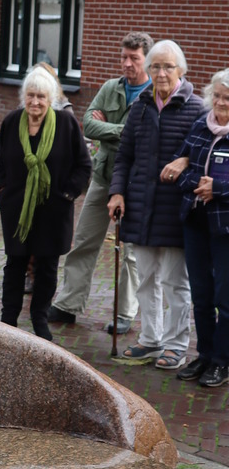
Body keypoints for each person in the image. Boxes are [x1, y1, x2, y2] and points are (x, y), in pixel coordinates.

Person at [108, 39, 204, 369]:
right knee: (146, 276)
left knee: (176, 281)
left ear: (182, 70)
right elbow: (124, 156)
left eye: (168, 66)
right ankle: (151, 339)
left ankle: (176, 344)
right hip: (141, 206)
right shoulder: (141, 107)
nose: (161, 73)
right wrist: (117, 192)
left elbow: (210, 153)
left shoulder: (197, 108)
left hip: (177, 208)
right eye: (155, 66)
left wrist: (186, 159)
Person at [48, 33, 153, 334]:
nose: (127, 63)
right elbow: (89, 124)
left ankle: (124, 314)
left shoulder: (154, 95)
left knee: (130, 251)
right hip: (103, 175)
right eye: (124, 57)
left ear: (147, 58)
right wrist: (123, 130)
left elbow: (144, 138)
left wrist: (110, 127)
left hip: (135, 182)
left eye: (134, 58)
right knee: (84, 241)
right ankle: (68, 304)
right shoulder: (111, 87)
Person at [0, 65, 91, 340]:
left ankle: (39, 318)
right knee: (15, 263)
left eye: (41, 97)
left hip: (54, 210)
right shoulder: (12, 122)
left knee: (47, 267)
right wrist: (2, 191)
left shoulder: (66, 124)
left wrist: (68, 195)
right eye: (31, 95)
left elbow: (83, 165)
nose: (35, 102)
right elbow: (1, 163)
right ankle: (8, 321)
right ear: (24, 96)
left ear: (50, 100)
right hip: (17, 210)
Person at [160, 70, 229, 389]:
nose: (219, 102)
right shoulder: (201, 125)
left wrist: (219, 188)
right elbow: (180, 164)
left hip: (224, 227)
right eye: (216, 95)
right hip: (196, 221)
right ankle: (203, 354)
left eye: (226, 98)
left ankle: (221, 361)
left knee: (224, 296)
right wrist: (197, 186)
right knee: (200, 294)